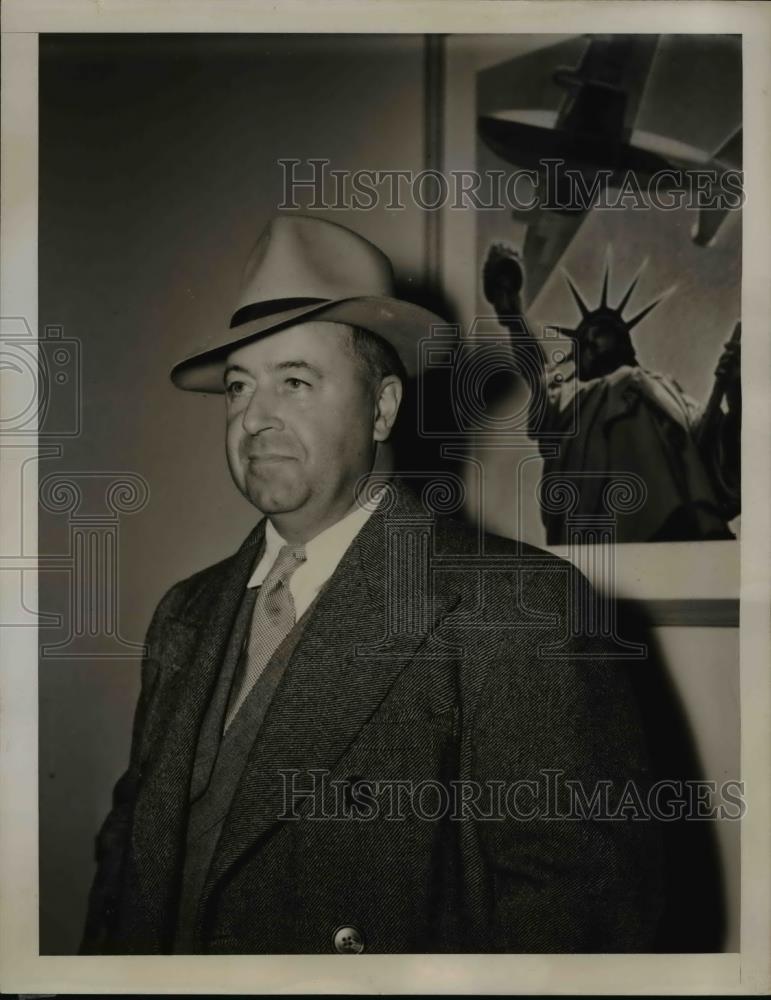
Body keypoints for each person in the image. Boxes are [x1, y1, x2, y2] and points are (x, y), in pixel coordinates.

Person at [81, 216, 662, 955]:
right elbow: (123, 877)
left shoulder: (519, 608)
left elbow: (581, 928)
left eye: (294, 381)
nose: (254, 417)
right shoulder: (184, 614)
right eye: (237, 386)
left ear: (382, 407)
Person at [483, 242, 741, 544]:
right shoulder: (572, 396)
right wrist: (513, 316)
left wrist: (735, 394)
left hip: (677, 533)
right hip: (597, 533)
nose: (591, 344)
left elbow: (708, 445)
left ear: (625, 345)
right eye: (584, 343)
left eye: (600, 334)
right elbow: (537, 372)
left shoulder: (663, 387)